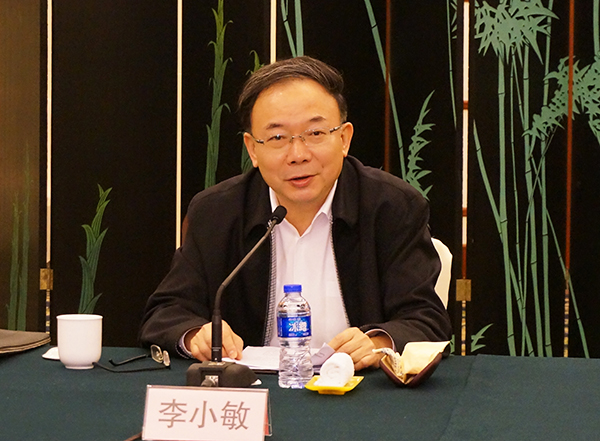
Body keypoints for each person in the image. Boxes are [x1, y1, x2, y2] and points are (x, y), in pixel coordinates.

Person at [139, 56, 452, 371]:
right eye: (277, 138)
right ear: (253, 149)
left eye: (315, 133)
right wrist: (196, 335)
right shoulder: (216, 213)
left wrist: (377, 343)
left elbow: (427, 320)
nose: (298, 155)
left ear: (344, 139)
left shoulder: (393, 207)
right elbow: (167, 312)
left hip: (358, 388)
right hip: (253, 391)